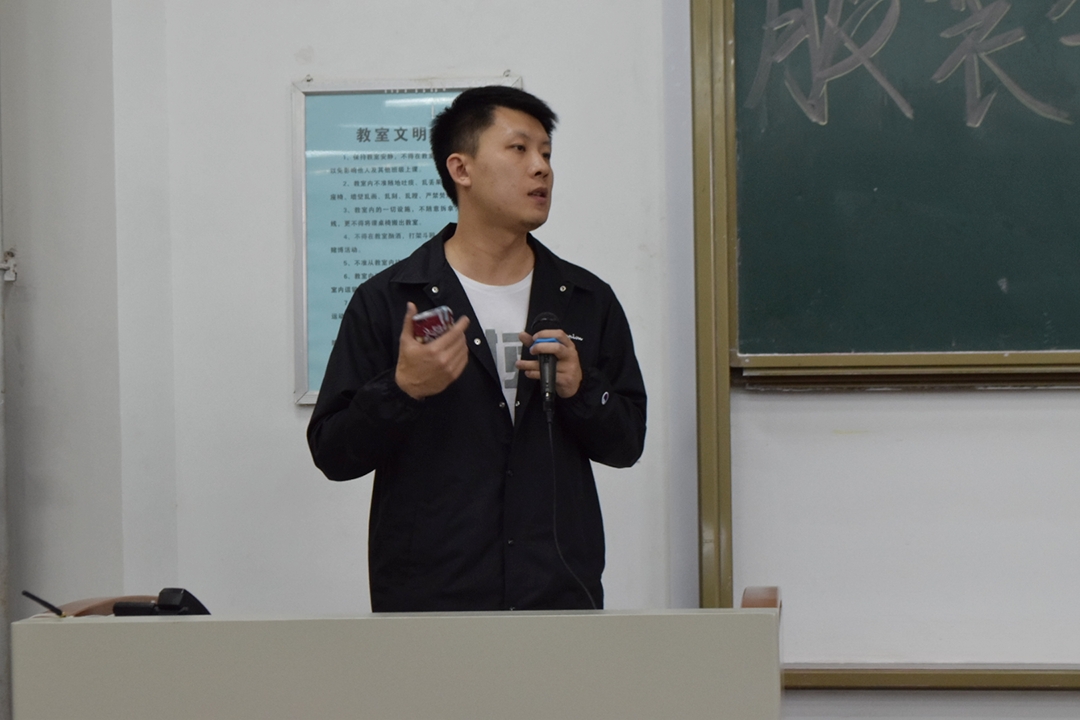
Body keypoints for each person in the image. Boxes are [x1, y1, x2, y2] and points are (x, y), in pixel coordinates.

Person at [307, 85, 646, 612]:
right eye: (519, 149)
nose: (541, 168)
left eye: (547, 153)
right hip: (431, 604)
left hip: (558, 598)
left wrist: (582, 389)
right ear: (460, 169)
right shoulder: (391, 300)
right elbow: (333, 453)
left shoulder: (585, 299)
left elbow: (626, 445)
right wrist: (402, 389)